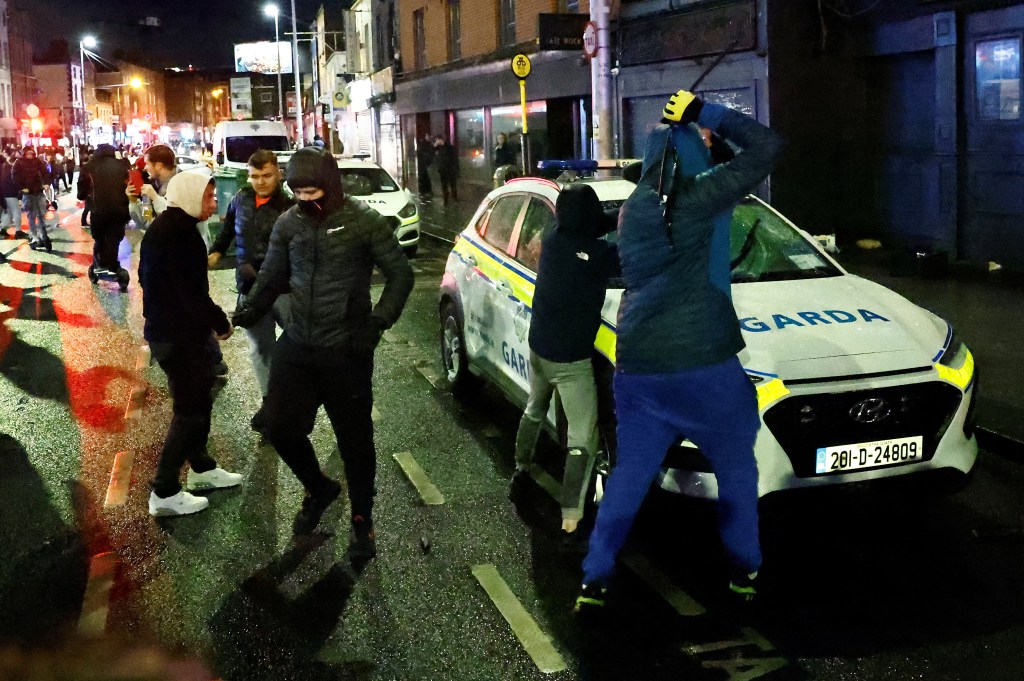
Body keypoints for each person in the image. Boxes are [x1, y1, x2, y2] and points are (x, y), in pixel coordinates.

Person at [574, 90, 784, 613]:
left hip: (640, 362)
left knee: (632, 471)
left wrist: (687, 134)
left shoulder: (634, 210)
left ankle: (595, 577)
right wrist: (703, 113)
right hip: (704, 360)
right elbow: (765, 148)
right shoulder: (698, 199)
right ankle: (744, 568)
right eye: (704, 147)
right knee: (736, 465)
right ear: (692, 156)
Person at [231, 147, 413, 552]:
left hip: (346, 349)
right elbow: (272, 278)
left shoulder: (363, 221)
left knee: (355, 440)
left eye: (314, 192)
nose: (307, 200)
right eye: (300, 193)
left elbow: (401, 274)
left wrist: (378, 322)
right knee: (278, 427)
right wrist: (243, 313)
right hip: (297, 343)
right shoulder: (288, 224)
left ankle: (362, 517)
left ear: (330, 186)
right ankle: (318, 488)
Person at [513, 184, 619, 541]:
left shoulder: (554, 235)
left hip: (539, 346)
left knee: (535, 407)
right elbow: (629, 256)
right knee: (582, 438)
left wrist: (625, 213)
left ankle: (521, 467)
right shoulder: (595, 255)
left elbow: (595, 224)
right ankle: (571, 518)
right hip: (570, 360)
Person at [138, 171, 242, 517]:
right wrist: (219, 323)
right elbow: (192, 294)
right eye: (209, 197)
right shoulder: (181, 235)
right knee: (190, 411)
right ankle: (165, 491)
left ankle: (201, 467)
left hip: (172, 332)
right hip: (178, 336)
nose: (214, 203)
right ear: (189, 195)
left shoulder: (169, 227)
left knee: (200, 399)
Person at [207, 150, 294, 432]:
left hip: (285, 289)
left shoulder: (290, 207)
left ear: (278, 173)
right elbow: (228, 231)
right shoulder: (240, 200)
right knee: (260, 349)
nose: (260, 181)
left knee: (301, 343)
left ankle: (300, 399)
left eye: (266, 175)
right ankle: (271, 405)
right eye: (254, 176)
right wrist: (216, 252)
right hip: (250, 289)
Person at [78, 144, 131, 290]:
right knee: (114, 239)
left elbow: (81, 189)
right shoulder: (121, 166)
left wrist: (83, 195)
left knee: (100, 238)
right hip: (119, 209)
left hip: (98, 210)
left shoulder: (89, 167)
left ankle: (101, 264)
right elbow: (128, 184)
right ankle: (113, 266)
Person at [12, 146, 51, 252]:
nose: (30, 156)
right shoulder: (18, 163)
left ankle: (42, 234)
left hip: (38, 191)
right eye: (27, 154)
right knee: (31, 216)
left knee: (41, 214)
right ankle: (34, 236)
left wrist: (47, 183)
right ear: (24, 154)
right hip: (27, 193)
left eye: (31, 154)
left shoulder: (37, 161)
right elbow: (15, 177)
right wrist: (22, 188)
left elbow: (45, 172)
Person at [0, 153, 24, 240]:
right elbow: (15, 181)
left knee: (7, 212)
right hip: (10, 193)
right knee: (16, 212)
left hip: (3, 195)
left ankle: (2, 229)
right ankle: (18, 231)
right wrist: (19, 193)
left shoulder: (3, 169)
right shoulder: (9, 168)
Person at [433, 136, 459, 204]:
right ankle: (446, 199)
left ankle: (454, 198)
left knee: (452, 184)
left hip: (449, 169)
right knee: (444, 185)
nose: (437, 142)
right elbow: (433, 154)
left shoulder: (448, 147)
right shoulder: (438, 148)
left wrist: (454, 167)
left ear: (441, 140)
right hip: (443, 169)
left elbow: (453, 158)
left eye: (437, 140)